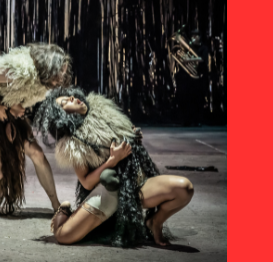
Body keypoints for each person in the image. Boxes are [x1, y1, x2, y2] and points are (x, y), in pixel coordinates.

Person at [36, 87, 195, 247]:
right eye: (65, 102)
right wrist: (112, 160)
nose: (71, 98)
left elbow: (128, 139)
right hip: (107, 191)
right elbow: (86, 182)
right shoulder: (73, 143)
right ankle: (64, 212)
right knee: (64, 236)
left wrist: (133, 137)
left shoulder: (105, 111)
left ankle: (154, 222)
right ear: (62, 116)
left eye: (69, 96)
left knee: (184, 189)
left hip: (133, 185)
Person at [0, 43, 71, 218]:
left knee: (36, 153)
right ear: (49, 66)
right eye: (60, 71)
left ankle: (56, 205)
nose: (62, 76)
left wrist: (16, 108)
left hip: (10, 112)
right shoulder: (21, 71)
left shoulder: (40, 82)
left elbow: (19, 97)